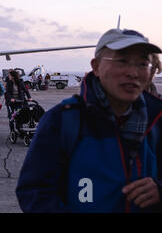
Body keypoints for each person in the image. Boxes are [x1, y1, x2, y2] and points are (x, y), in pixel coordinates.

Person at [16, 28, 162, 213]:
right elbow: (34, 192)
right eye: (122, 61)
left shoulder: (157, 120)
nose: (133, 73)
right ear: (96, 66)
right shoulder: (62, 120)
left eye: (142, 64)